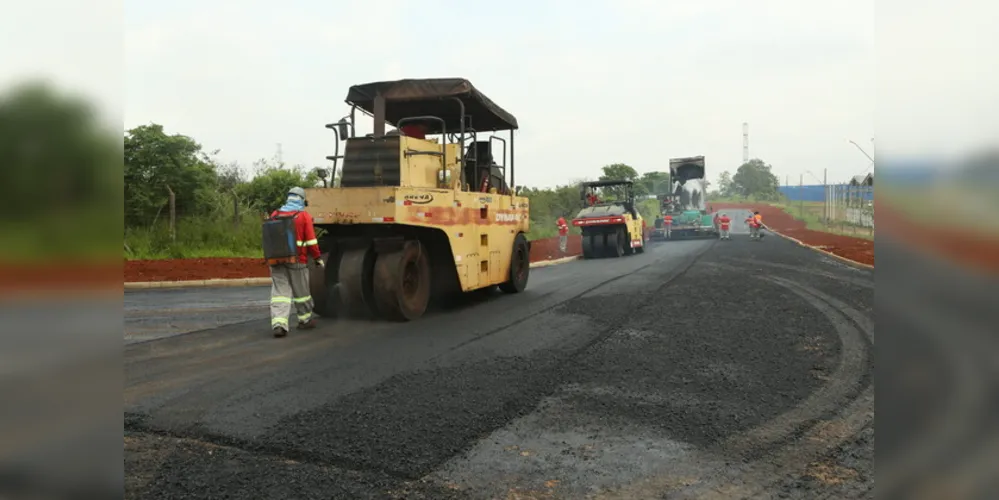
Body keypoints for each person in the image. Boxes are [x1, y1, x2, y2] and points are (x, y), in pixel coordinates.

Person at [268, 187, 324, 338]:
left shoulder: (275, 214)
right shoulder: (303, 216)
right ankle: (304, 320)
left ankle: (279, 324)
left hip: (276, 260)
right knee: (302, 292)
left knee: (280, 293)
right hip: (298, 261)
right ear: (301, 200)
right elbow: (312, 241)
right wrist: (318, 258)